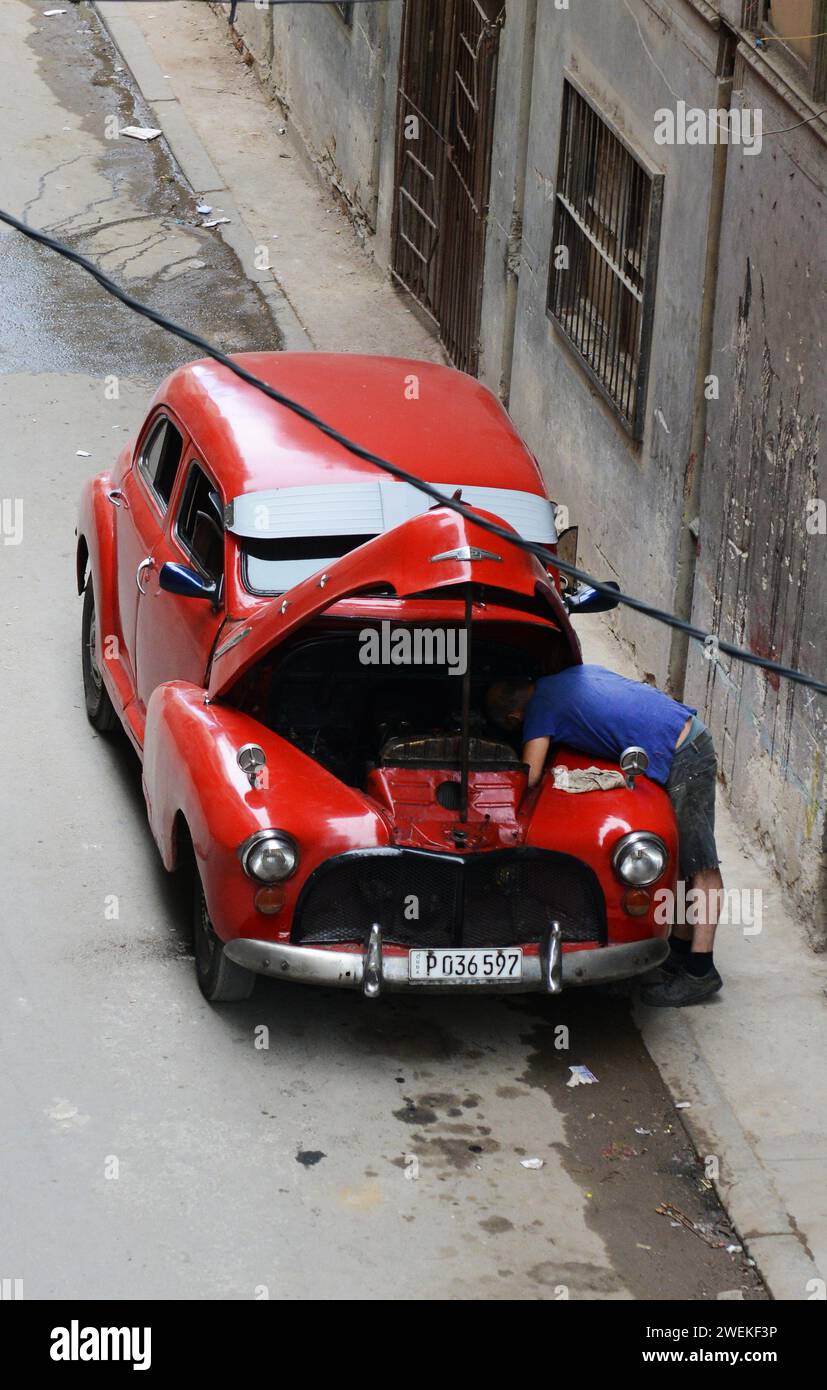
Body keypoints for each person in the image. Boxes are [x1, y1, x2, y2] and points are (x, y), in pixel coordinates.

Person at [486, 666, 724, 1007]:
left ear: (514, 717)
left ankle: (702, 972)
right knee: (684, 860)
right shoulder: (563, 677)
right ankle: (683, 952)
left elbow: (530, 776)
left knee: (702, 865)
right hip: (683, 739)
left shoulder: (539, 708)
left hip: (685, 752)